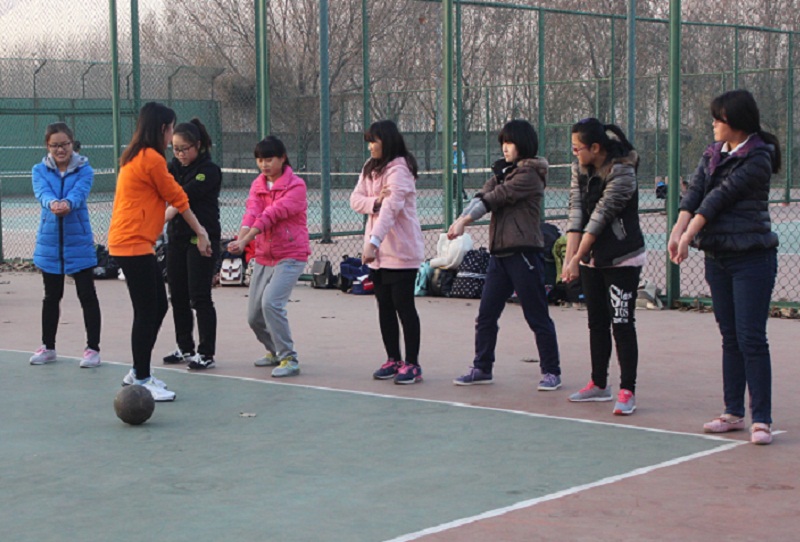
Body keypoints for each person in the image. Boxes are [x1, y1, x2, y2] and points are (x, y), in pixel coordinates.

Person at [668, 89, 780, 445]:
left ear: (737, 122)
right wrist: (676, 230)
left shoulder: (759, 157)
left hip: (752, 259)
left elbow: (718, 198)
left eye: (719, 119)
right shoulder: (713, 152)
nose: (714, 124)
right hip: (718, 258)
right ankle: (733, 412)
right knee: (730, 337)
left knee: (751, 338)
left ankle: (761, 419)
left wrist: (689, 236)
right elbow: (695, 193)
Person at [108, 102, 213, 401]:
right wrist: (201, 232)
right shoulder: (151, 159)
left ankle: (138, 371)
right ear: (163, 128)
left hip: (135, 242)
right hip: (132, 243)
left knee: (157, 307)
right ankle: (141, 376)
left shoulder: (135, 156)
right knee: (147, 310)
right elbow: (178, 197)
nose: (171, 136)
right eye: (170, 129)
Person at [449, 119, 562, 390]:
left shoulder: (529, 176)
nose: (505, 147)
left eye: (509, 143)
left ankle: (551, 371)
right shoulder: (504, 172)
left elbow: (495, 198)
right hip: (499, 256)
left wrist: (464, 222)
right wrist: (461, 218)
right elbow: (482, 195)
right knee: (486, 315)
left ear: (523, 144)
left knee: (536, 316)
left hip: (524, 255)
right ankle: (482, 367)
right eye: (503, 143)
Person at [561, 118, 645, 416]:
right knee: (596, 322)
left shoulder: (623, 172)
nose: (574, 153)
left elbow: (600, 217)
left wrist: (576, 258)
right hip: (592, 258)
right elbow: (577, 212)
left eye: (577, 148)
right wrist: (570, 259)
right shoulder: (580, 169)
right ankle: (598, 384)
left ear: (595, 148)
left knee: (621, 322)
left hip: (622, 257)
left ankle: (627, 390)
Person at [227, 136, 310, 378]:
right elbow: (252, 212)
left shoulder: (296, 186)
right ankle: (274, 351)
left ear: (282, 158)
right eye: (260, 160)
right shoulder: (258, 184)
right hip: (265, 255)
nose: (264, 164)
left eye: (269, 159)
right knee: (254, 316)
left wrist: (245, 240)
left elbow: (271, 215)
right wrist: (241, 238)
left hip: (291, 255)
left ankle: (289, 358)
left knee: (271, 303)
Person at [350, 120, 426, 385]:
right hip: (379, 257)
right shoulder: (370, 168)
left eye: (374, 141)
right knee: (384, 306)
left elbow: (391, 210)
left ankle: (412, 364)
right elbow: (355, 199)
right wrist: (375, 201)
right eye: (369, 142)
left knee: (404, 307)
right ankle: (393, 359)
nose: (370, 146)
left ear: (388, 142)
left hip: (401, 253)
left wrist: (372, 242)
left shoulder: (400, 170)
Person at [30, 123, 102, 368]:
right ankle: (48, 347)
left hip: (78, 243)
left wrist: (68, 203)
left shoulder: (85, 169)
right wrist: (52, 203)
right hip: (49, 244)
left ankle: (93, 349)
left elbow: (80, 193)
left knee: (87, 296)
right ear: (47, 146)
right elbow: (42, 193)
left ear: (72, 144)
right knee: (51, 297)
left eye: (64, 144)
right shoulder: (39, 170)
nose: (60, 150)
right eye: (55, 145)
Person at [162, 118, 222, 370]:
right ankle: (185, 346)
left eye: (184, 149)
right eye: (175, 149)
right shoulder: (171, 168)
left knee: (200, 296)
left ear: (197, 145)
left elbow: (181, 197)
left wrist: (165, 214)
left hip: (201, 238)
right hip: (176, 238)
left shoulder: (209, 171)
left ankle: (206, 353)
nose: (180, 154)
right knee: (178, 296)